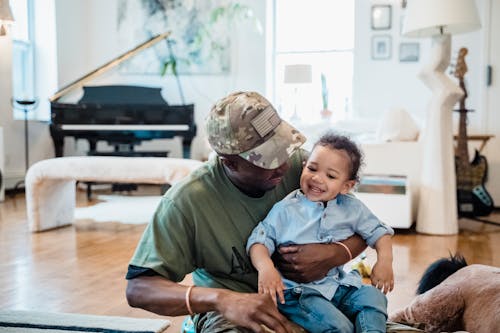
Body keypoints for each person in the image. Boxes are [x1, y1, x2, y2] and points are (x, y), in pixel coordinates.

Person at [125, 91, 368, 333]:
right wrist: (222, 300)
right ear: (228, 161)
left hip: (310, 297)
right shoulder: (187, 202)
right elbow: (138, 289)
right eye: (268, 160)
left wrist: (334, 254)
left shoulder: (305, 170)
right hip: (231, 314)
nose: (283, 166)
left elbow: (365, 226)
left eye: (284, 149)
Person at [247, 133, 394, 333]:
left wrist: (384, 261)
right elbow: (259, 241)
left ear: (346, 186)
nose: (317, 178)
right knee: (339, 327)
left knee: (374, 298)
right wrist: (266, 268)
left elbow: (379, 232)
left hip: (338, 285)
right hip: (298, 294)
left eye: (331, 176)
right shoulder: (286, 209)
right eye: (312, 168)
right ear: (304, 165)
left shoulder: (352, 208)